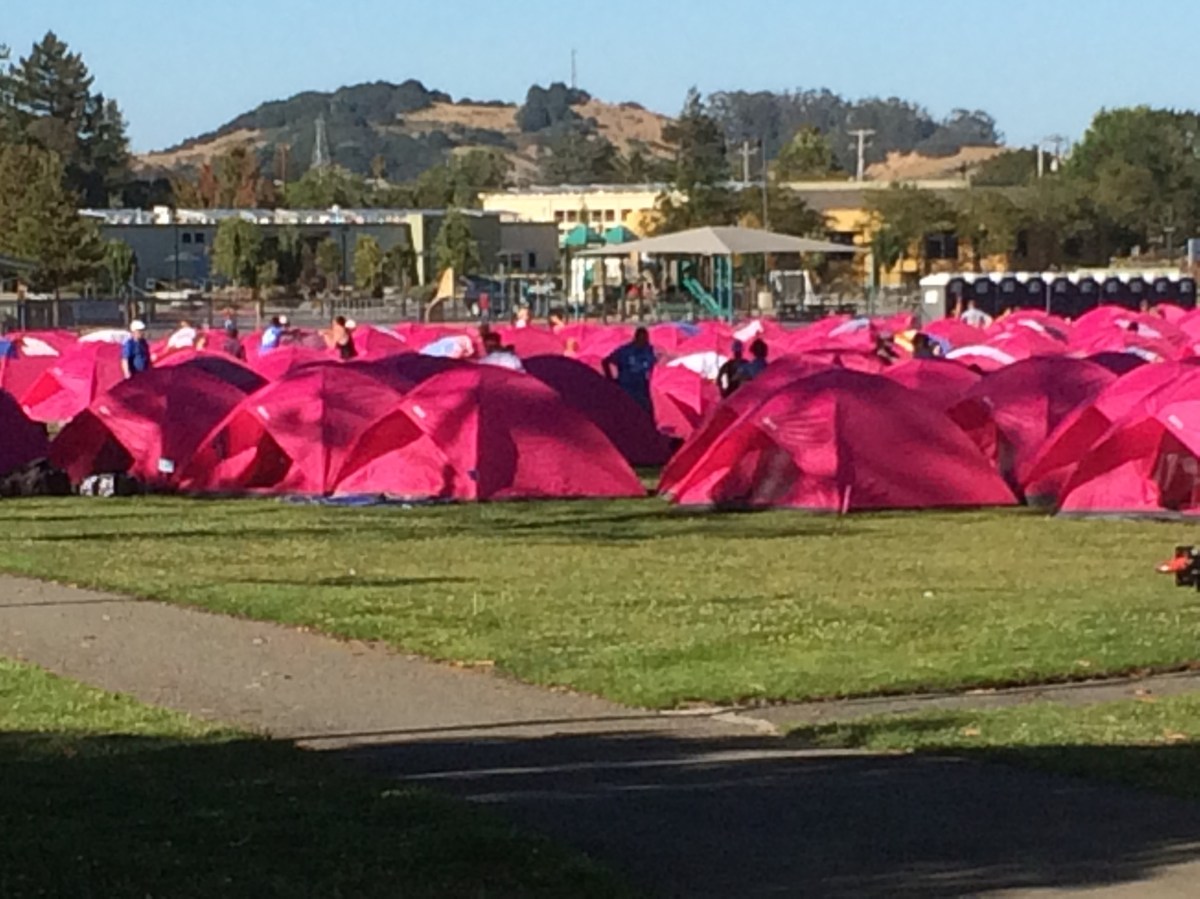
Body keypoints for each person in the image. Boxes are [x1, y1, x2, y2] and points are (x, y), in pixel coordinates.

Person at [603, 327, 656, 411]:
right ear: (636, 338)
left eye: (645, 338)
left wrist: (647, 382)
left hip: (641, 390)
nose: (644, 341)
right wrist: (610, 379)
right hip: (626, 388)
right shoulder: (625, 351)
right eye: (642, 338)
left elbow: (651, 367)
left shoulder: (649, 350)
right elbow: (606, 361)